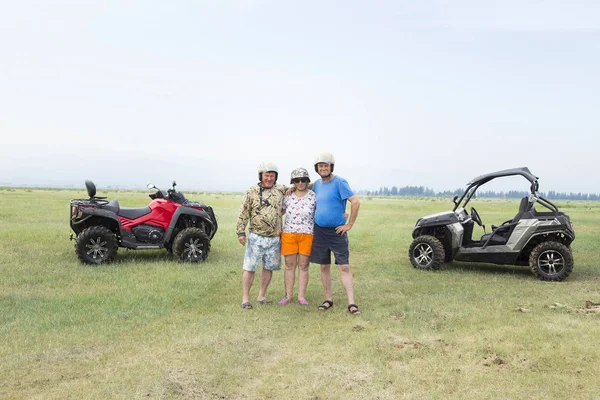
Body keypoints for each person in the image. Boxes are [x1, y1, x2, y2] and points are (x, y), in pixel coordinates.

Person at [310, 152, 361, 315]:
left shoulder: (340, 182)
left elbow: (355, 201)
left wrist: (349, 224)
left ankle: (352, 303)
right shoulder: (316, 184)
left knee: (344, 266)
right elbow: (302, 186)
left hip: (337, 231)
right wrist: (289, 189)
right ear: (317, 168)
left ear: (331, 167)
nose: (323, 168)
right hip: (319, 230)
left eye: (326, 166)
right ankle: (328, 299)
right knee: (324, 266)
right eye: (320, 166)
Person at [236, 162, 286, 310]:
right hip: (256, 237)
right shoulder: (251, 191)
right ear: (261, 176)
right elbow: (244, 211)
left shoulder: (281, 190)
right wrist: (240, 232)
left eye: (272, 175)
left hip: (275, 238)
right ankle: (245, 299)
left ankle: (261, 296)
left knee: (268, 268)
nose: (269, 178)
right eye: (266, 175)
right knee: (249, 268)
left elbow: (299, 187)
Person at [279, 168, 317, 306]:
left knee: (304, 265)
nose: (300, 183)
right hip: (289, 234)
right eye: (297, 180)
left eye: (303, 180)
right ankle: (288, 296)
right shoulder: (287, 196)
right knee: (289, 265)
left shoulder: (313, 195)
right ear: (293, 182)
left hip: (307, 234)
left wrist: (342, 215)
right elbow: (280, 212)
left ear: (307, 181)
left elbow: (324, 208)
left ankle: (301, 296)